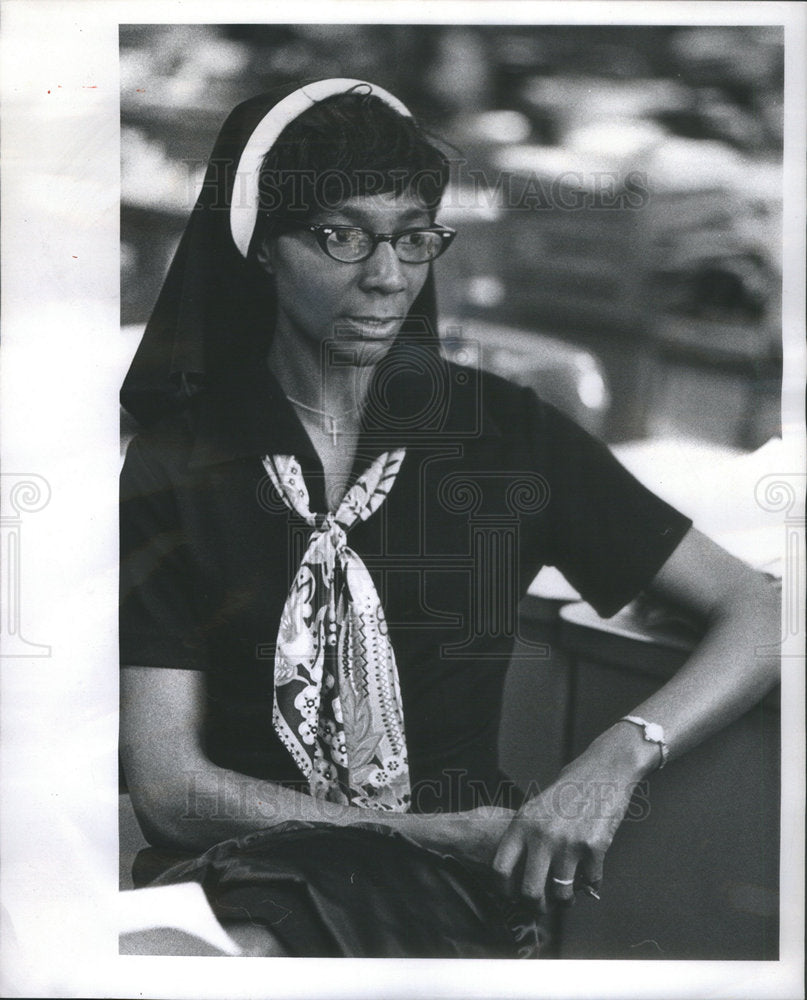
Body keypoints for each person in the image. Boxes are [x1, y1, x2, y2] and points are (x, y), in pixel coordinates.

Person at [119, 79, 780, 958]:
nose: (387, 277)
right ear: (262, 248)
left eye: (413, 236)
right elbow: (169, 788)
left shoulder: (503, 438)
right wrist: (427, 830)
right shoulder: (179, 464)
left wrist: (612, 762)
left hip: (439, 894)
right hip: (244, 864)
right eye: (342, 236)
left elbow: (764, 612)